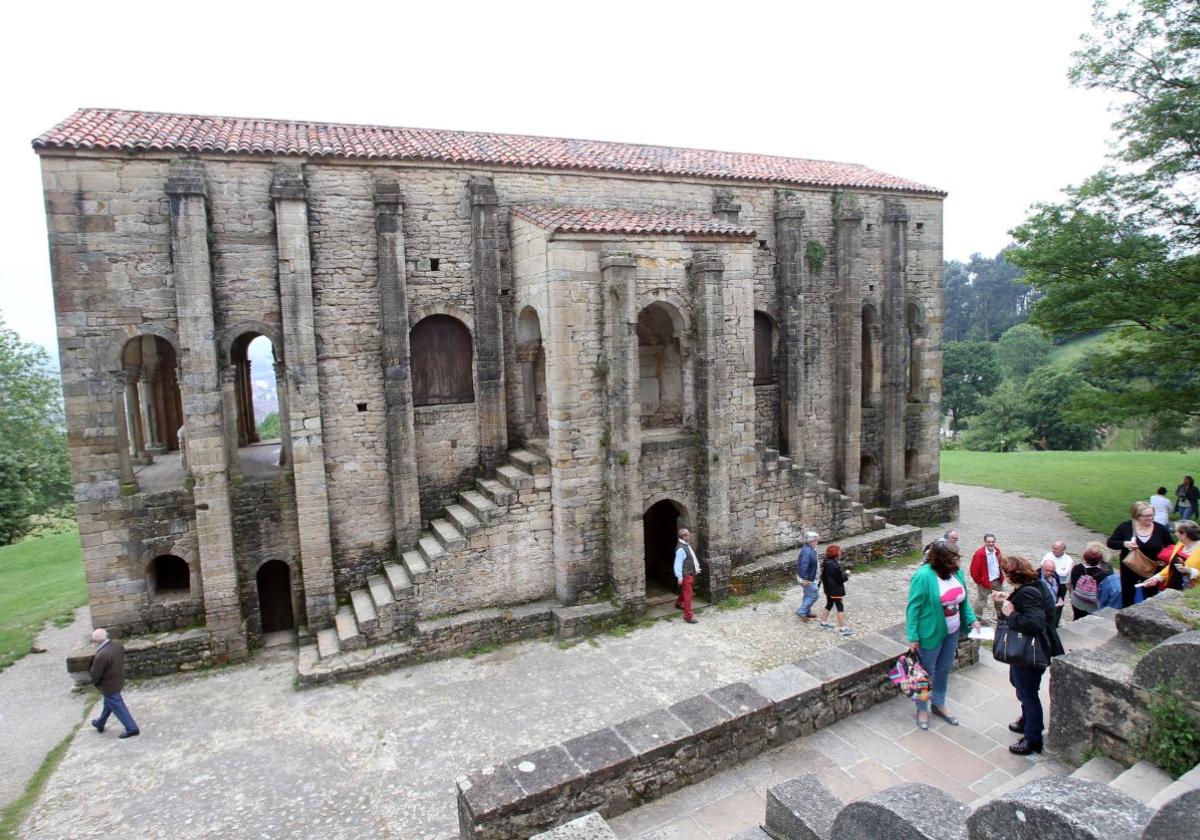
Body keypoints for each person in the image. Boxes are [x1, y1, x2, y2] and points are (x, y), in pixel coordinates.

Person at [905, 539, 980, 731]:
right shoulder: (923, 576)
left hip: (952, 631)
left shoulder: (957, 573)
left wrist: (971, 620)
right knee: (924, 673)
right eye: (953, 558)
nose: (957, 561)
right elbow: (913, 608)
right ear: (940, 560)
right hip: (930, 633)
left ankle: (938, 703)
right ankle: (922, 708)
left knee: (944, 669)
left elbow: (964, 601)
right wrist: (913, 636)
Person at [998, 554, 1064, 755]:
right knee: (1019, 684)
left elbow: (1035, 623)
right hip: (1028, 650)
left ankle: (1033, 738)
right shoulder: (1033, 585)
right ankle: (1027, 720)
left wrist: (1011, 614)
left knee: (1028, 693)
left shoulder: (1029, 592)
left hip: (1031, 651)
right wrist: (1005, 598)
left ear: (1012, 575)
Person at [1107, 501, 1174, 607]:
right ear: (1137, 516)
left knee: (1150, 597)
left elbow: (1171, 546)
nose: (1150, 518)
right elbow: (1110, 542)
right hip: (1129, 568)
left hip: (1151, 568)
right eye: (1146, 516)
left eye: (1152, 515)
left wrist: (1165, 560)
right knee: (1128, 595)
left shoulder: (1160, 529)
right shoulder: (1125, 527)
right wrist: (1125, 544)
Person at [89, 628, 140, 739]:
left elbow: (95, 674)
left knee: (117, 705)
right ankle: (100, 723)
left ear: (97, 642)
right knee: (109, 703)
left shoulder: (101, 655)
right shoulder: (117, 645)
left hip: (108, 685)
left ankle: (132, 728)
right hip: (118, 679)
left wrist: (94, 682)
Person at [1143, 519, 1200, 592]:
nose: (1175, 534)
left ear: (1184, 535)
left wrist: (1189, 571)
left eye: (1176, 531)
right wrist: (1157, 578)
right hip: (1174, 588)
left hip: (1192, 593)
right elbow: (1172, 566)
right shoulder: (1180, 544)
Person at [1069, 542, 1122, 619]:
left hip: (1078, 602)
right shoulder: (1107, 571)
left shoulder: (1077, 568)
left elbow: (1074, 585)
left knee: (1077, 619)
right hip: (1094, 605)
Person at [969, 534, 1005, 623]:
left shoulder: (997, 551)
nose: (991, 543)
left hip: (997, 581)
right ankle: (976, 618)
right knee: (982, 601)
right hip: (984, 582)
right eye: (988, 542)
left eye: (992, 542)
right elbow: (974, 570)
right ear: (985, 542)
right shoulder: (979, 554)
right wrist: (979, 581)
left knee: (1000, 599)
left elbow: (1001, 564)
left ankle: (1001, 617)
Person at [818, 545, 852, 635]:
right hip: (835, 590)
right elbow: (840, 579)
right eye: (839, 551)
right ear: (835, 553)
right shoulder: (832, 564)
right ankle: (842, 628)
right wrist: (847, 574)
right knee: (840, 606)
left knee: (829, 604)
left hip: (828, 589)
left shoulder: (826, 562)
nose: (840, 552)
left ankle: (823, 622)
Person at [673, 527, 701, 625]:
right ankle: (688, 617)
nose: (690, 536)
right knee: (688, 595)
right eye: (688, 534)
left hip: (688, 574)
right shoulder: (681, 549)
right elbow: (678, 564)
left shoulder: (685, 545)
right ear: (684, 536)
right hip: (686, 575)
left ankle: (678, 603)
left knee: (684, 591)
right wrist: (679, 577)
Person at [794, 531, 821, 620]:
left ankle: (806, 611)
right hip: (807, 579)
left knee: (808, 594)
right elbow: (803, 565)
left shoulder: (810, 548)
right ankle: (802, 611)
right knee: (814, 595)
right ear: (811, 541)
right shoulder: (807, 551)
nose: (817, 541)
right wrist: (806, 579)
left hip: (809, 577)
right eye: (816, 540)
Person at [1039, 557, 1065, 627]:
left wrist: (1060, 598)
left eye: (1052, 571)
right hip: (1042, 609)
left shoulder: (1055, 575)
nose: (1050, 573)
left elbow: (1060, 589)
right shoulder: (1036, 577)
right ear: (1042, 568)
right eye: (1047, 570)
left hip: (1053, 608)